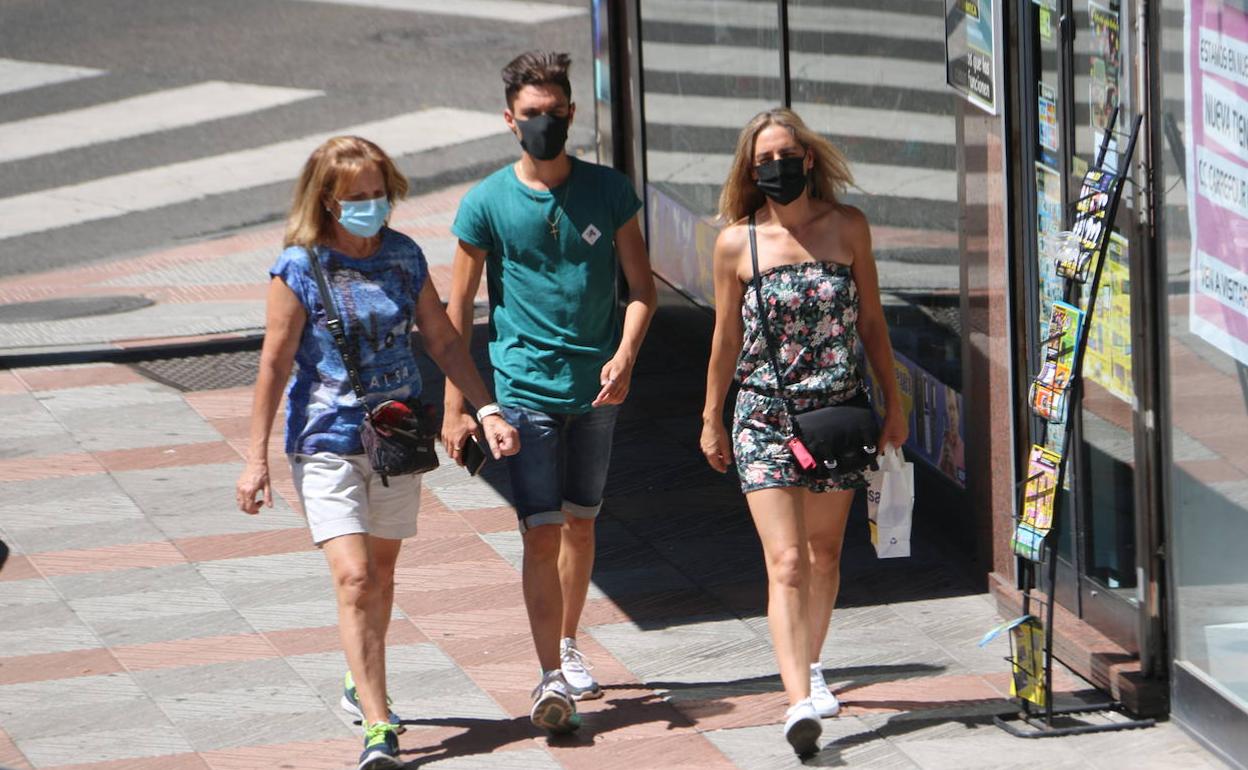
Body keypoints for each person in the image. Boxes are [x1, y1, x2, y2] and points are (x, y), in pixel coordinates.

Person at [235, 135, 519, 770]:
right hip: (325, 439)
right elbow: (274, 363)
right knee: (356, 576)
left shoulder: (401, 256)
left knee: (383, 578)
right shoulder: (299, 267)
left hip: (394, 439)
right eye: (357, 197)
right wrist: (254, 457)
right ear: (328, 200)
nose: (371, 205)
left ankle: (356, 675)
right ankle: (378, 722)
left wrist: (487, 408)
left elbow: (444, 341)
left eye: (379, 193)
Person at [441, 51, 656, 734]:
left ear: (571, 113)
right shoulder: (485, 205)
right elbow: (458, 313)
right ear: (510, 121)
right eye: (531, 115)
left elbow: (642, 289)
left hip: (595, 389)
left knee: (583, 520)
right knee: (541, 532)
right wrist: (460, 407)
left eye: (554, 112)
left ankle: (568, 641)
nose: (544, 123)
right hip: (523, 389)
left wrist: (624, 354)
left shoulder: (610, 191)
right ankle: (549, 678)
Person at [699, 108, 907, 757]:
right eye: (764, 160)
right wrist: (711, 416)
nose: (777, 168)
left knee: (824, 556)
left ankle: (812, 666)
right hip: (764, 414)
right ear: (750, 169)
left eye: (787, 155)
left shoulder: (847, 229)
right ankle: (796, 702)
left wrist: (892, 401)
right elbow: (726, 338)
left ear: (809, 159)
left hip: (837, 414)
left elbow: (872, 321)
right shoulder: (738, 242)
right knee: (785, 560)